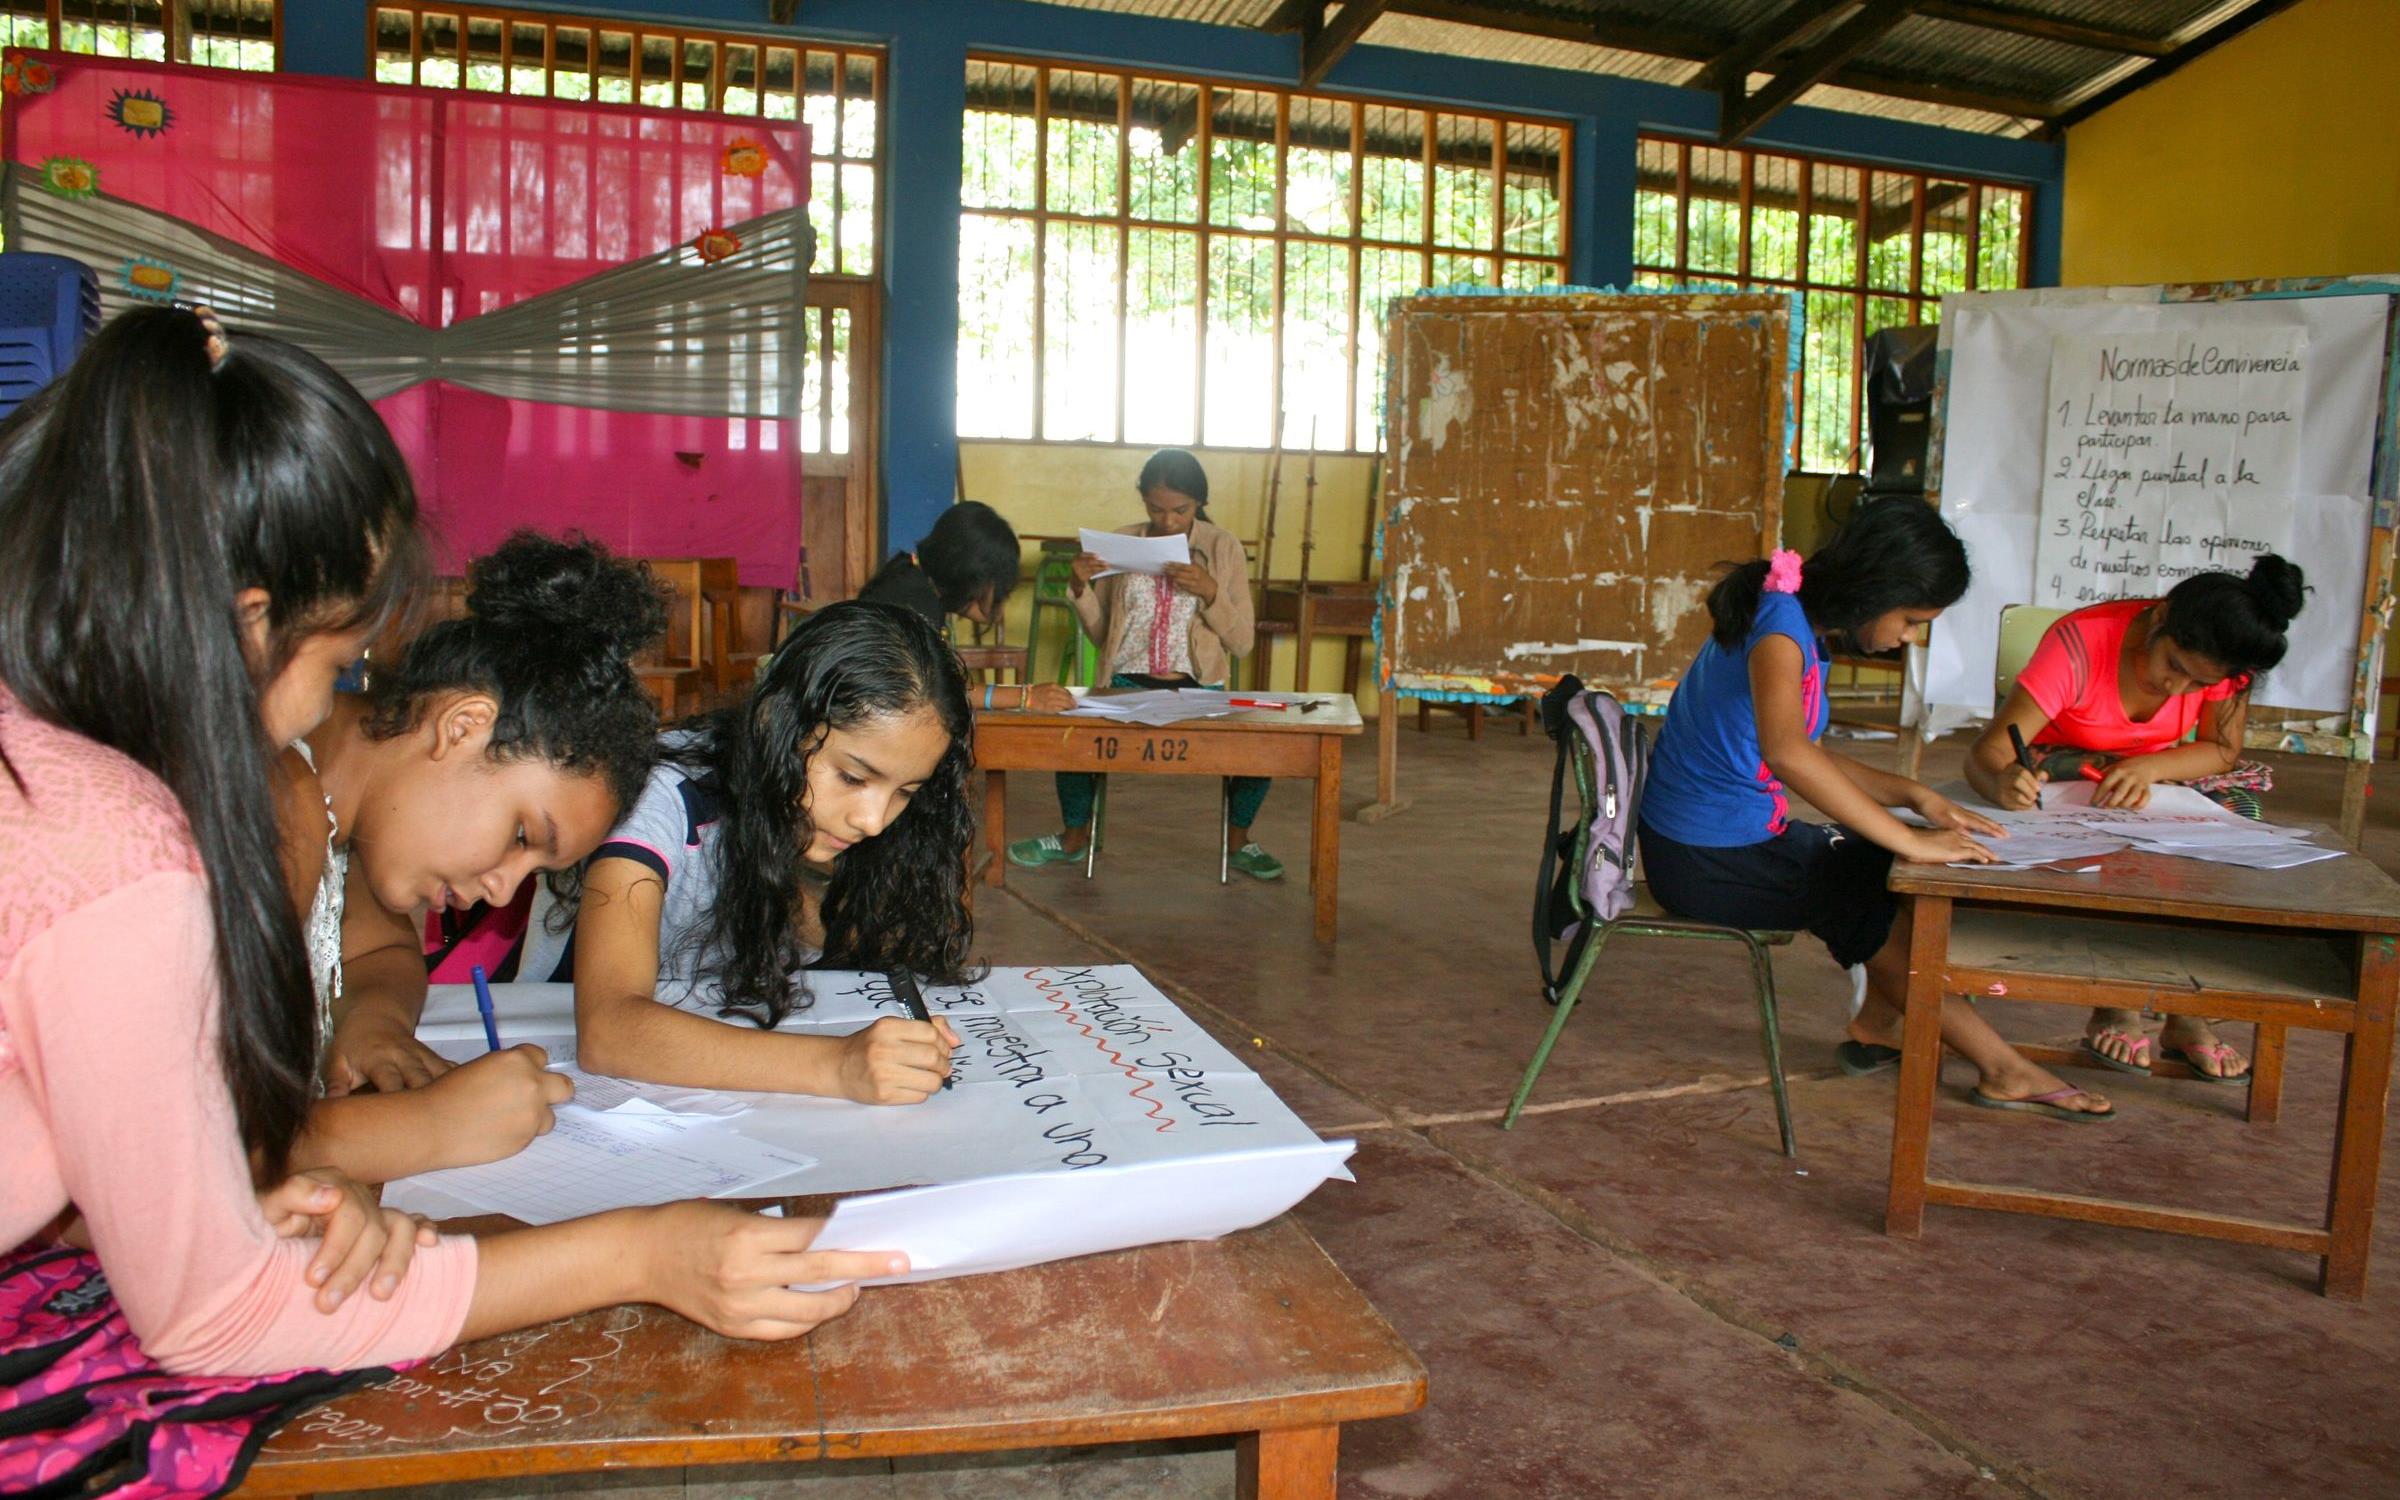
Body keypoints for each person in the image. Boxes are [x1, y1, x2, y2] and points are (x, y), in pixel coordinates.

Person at [0, 308, 899, 1406]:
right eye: (336, 659)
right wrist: (641, 1254)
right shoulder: (135, 849)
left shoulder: (46, 749)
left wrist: (226, 1194)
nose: (315, 707)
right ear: (242, 623)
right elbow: (209, 1315)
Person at [1638, 498, 2113, 1122]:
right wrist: (1911, 839)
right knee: (1867, 885)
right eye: (1912, 620)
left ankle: (1881, 1026)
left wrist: (1914, 797)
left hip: (1718, 839)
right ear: (1874, 592)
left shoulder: (1789, 612)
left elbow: (1801, 752)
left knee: (1877, 861)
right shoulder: (1781, 632)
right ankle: (2002, 1067)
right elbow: (1788, 755)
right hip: (1705, 859)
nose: (1909, 638)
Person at [281, 531, 670, 1183]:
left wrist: (373, 1025)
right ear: (462, 725)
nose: (499, 892)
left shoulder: (341, 818)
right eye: (522, 837)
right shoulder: (271, 807)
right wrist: (430, 1127)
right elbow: (175, 1152)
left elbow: (378, 955)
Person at [527, 600, 978, 1101]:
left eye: (906, 792)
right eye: (852, 776)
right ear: (775, 725)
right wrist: (837, 1066)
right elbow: (608, 1031)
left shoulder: (849, 831)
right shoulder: (662, 799)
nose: (873, 820)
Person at [1962, 555, 2307, 1083]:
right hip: (2069, 762)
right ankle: (2117, 999)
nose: (2176, 690)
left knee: (2234, 823)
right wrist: (2003, 781)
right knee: (2106, 847)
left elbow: (2220, 750)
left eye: (2198, 685)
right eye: (2174, 665)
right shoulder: (2080, 644)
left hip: (2155, 771)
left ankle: (2187, 1010)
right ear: (2162, 617)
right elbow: (1986, 755)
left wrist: (2147, 767)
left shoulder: (2226, 662)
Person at [1005, 448, 1277, 878]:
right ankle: (1074, 837)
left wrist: (1210, 593)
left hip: (1198, 690)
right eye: (1156, 508)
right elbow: (1102, 635)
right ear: (1144, 501)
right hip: (1125, 687)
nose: (1168, 520)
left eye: (1181, 510)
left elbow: (1242, 643)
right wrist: (1079, 587)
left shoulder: (1222, 548)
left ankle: (1238, 841)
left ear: (1199, 503)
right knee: (1069, 731)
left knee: (1266, 744)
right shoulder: (1122, 544)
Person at [858, 500, 1074, 715]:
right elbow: (933, 692)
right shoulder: (913, 599)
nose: (1001, 597)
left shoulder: (913, 578)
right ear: (971, 575)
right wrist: (1026, 697)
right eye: (997, 584)